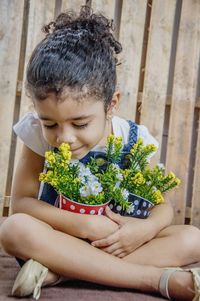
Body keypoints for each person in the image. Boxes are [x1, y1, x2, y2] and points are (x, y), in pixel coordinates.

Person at [0, 6, 200, 301]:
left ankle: (58, 273)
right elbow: (22, 204)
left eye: (80, 123)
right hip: (57, 241)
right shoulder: (36, 135)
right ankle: (152, 278)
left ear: (112, 104)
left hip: (116, 244)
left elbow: (164, 209)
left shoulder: (133, 141)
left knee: (193, 238)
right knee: (14, 229)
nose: (64, 138)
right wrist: (85, 224)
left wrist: (143, 230)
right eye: (50, 124)